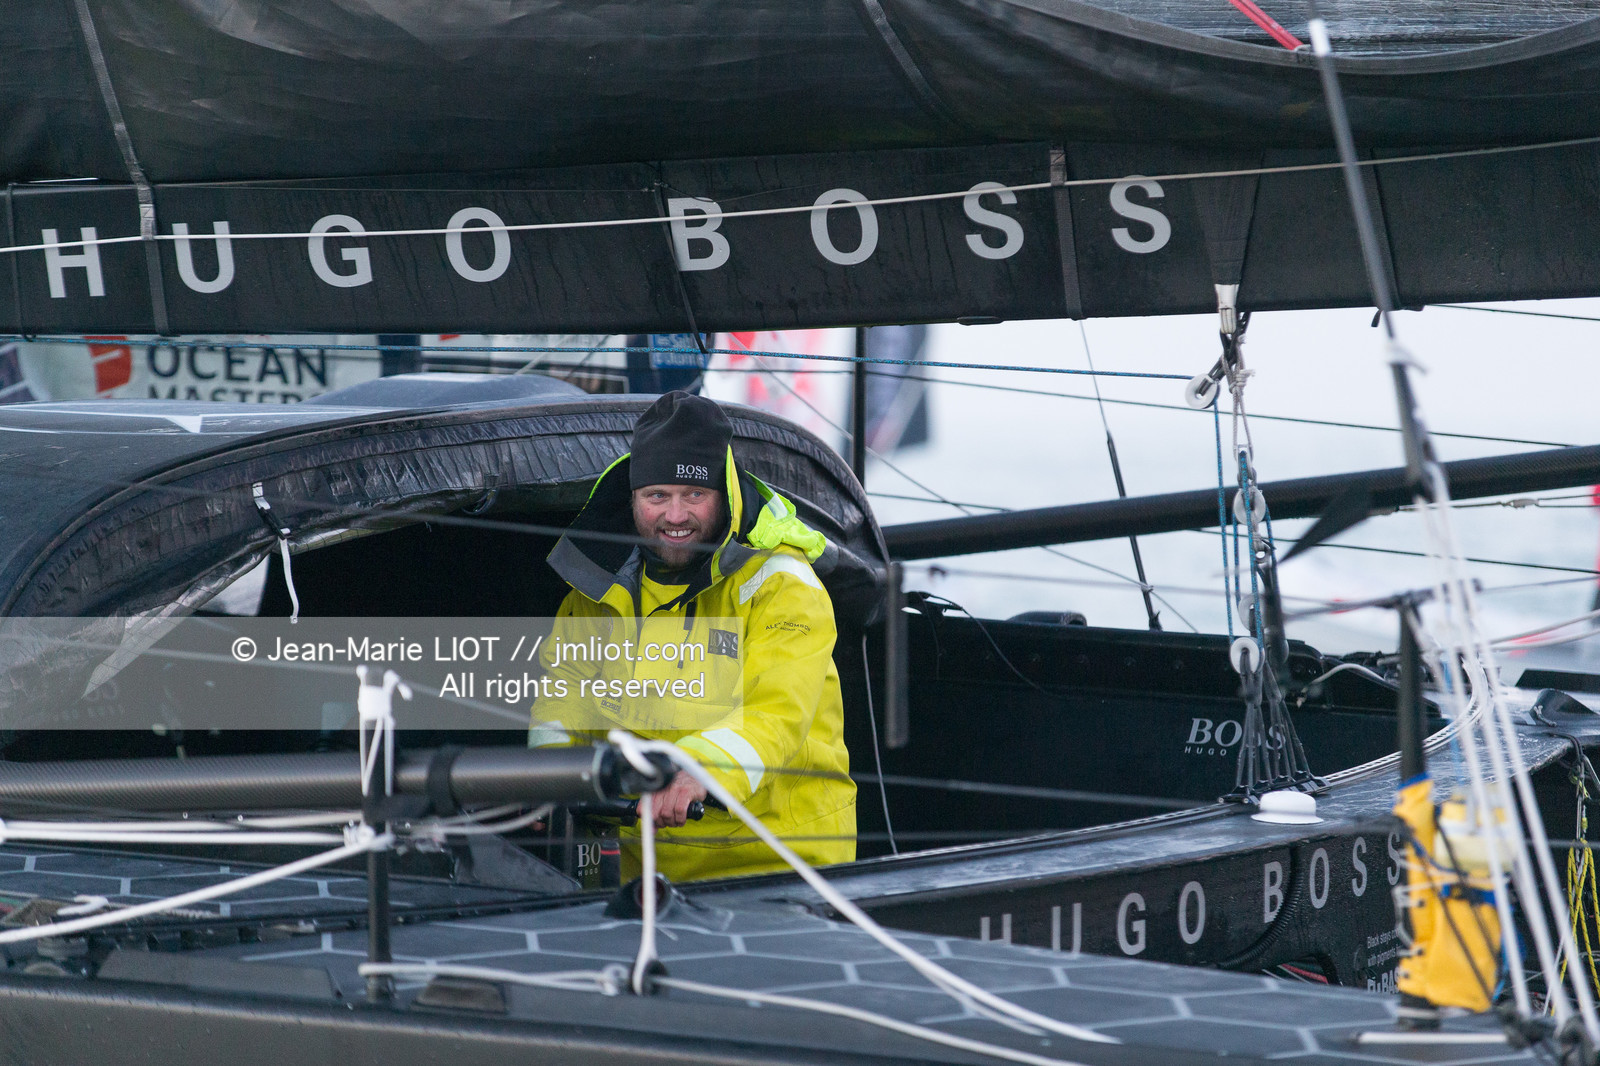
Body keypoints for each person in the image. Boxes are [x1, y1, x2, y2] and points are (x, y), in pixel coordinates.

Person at [530, 391, 855, 881]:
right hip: (644, 875)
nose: (675, 516)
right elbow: (563, 694)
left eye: (694, 496)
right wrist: (546, 779)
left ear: (725, 496)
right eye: (657, 496)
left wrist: (700, 770)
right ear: (633, 499)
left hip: (781, 868)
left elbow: (776, 713)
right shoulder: (597, 588)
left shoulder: (783, 584)